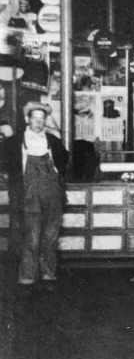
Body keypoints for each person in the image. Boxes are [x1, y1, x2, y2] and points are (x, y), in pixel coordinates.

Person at [1, 101, 68, 285]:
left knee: (51, 236)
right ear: (27, 119)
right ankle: (28, 276)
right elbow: (5, 165)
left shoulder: (53, 141)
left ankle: (48, 273)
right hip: (28, 195)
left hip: (52, 195)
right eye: (35, 118)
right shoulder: (14, 142)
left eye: (42, 119)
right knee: (31, 237)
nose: (38, 122)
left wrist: (57, 131)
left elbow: (64, 162)